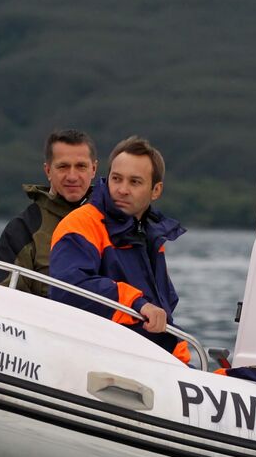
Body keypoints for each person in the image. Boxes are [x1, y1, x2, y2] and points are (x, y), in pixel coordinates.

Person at [49, 135, 189, 362]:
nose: (122, 189)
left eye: (134, 182)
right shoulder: (82, 223)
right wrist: (137, 303)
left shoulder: (151, 238)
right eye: (116, 179)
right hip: (95, 356)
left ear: (156, 190)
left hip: (142, 360)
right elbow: (69, 289)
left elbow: (162, 315)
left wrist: (182, 362)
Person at [0, 130, 98, 296]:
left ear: (94, 169)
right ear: (48, 171)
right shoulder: (23, 228)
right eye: (63, 167)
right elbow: (2, 298)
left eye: (81, 166)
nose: (72, 176)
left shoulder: (116, 222)